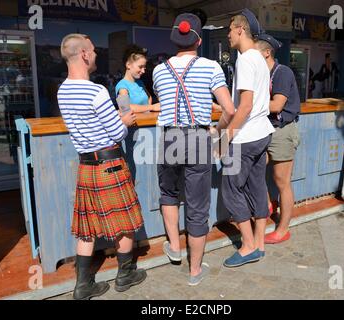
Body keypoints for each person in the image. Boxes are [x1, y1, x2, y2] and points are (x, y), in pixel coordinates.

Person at [57, 34, 147, 299]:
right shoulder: (95, 91)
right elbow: (117, 133)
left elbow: (88, 124)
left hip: (87, 165)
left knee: (87, 225)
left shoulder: (63, 90)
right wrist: (126, 121)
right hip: (110, 163)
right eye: (93, 51)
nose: (96, 55)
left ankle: (83, 286)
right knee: (125, 222)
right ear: (84, 54)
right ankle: (125, 275)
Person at [152, 13, 235, 285]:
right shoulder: (211, 67)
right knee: (198, 205)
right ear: (198, 39)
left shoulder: (158, 70)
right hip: (197, 138)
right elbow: (230, 110)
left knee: (169, 192)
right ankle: (195, 270)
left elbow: (163, 100)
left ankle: (174, 249)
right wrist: (217, 130)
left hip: (168, 137)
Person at [221, 8, 275, 268]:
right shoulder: (259, 58)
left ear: (240, 29)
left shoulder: (244, 59)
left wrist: (225, 137)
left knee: (231, 190)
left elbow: (245, 106)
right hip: (263, 133)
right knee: (257, 187)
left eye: (230, 29)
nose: (228, 35)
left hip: (246, 137)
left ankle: (248, 246)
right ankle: (260, 244)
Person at [256, 33, 301, 244]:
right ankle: (267, 206)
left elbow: (276, 106)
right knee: (253, 172)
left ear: (266, 52)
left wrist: (247, 106)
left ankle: (283, 229)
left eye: (253, 52)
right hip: (264, 129)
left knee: (282, 182)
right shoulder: (259, 74)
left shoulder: (282, 72)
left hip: (282, 130)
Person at [115, 45, 161, 113]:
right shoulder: (122, 86)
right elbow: (124, 108)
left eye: (144, 68)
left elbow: (149, 97)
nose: (143, 71)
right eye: (140, 67)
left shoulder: (140, 82)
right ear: (128, 65)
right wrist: (152, 107)